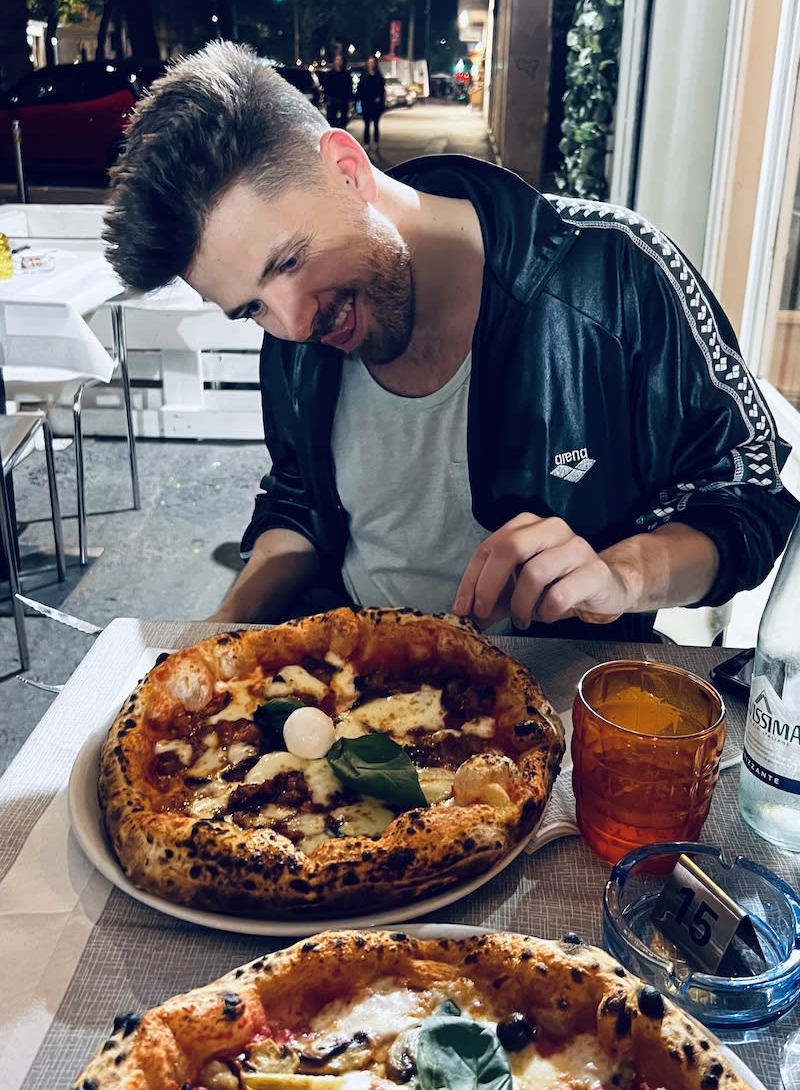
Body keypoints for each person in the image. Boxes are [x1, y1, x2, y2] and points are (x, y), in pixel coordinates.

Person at [104, 42, 799, 641]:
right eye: (250, 307)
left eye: (288, 261)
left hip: (557, 694)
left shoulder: (611, 273)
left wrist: (620, 574)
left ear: (346, 170)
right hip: (353, 684)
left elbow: (748, 495)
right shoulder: (296, 327)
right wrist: (217, 633)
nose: (291, 326)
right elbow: (299, 503)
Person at [357, 56, 385, 151]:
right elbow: (360, 90)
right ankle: (367, 143)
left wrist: (380, 100)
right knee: (367, 125)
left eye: (373, 62)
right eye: (369, 62)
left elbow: (382, 91)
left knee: (376, 125)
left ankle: (376, 142)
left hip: (376, 104)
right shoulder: (364, 76)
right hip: (366, 103)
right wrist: (359, 100)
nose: (371, 64)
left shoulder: (379, 77)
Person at [324, 53, 352, 129]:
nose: (338, 62)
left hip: (343, 99)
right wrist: (327, 98)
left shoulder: (346, 74)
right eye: (337, 60)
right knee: (332, 120)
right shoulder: (330, 74)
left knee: (343, 119)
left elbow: (349, 88)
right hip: (333, 99)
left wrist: (349, 100)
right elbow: (326, 87)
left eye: (340, 60)